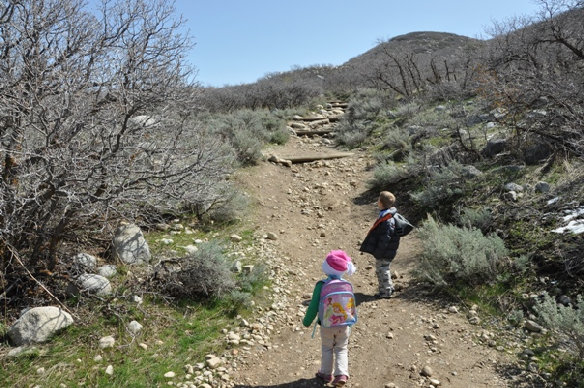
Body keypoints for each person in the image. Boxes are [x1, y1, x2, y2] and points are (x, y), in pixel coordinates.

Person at [303, 250, 357, 387]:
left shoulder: (321, 285)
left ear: (326, 268)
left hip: (327, 325)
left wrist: (307, 321)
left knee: (327, 348)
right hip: (344, 324)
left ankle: (326, 373)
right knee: (342, 348)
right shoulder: (346, 285)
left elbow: (314, 305)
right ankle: (341, 374)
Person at [359, 191, 401, 298]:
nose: (377, 201)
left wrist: (379, 252)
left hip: (385, 251)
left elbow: (385, 238)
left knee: (383, 270)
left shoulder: (387, 219)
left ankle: (386, 292)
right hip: (386, 250)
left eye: (378, 200)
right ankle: (386, 289)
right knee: (381, 269)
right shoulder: (386, 216)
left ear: (381, 203)